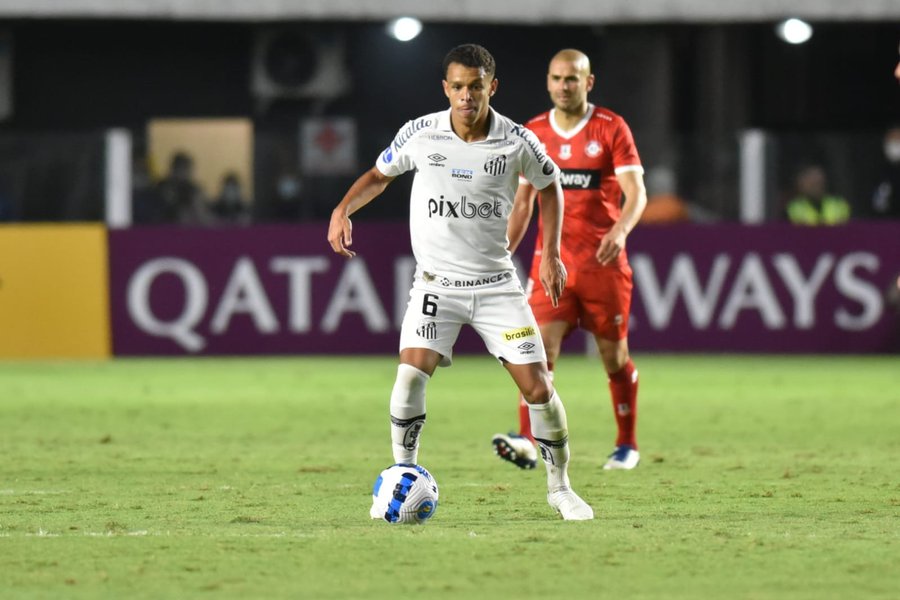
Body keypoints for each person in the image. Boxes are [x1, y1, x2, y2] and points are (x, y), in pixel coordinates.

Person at [327, 43, 593, 520]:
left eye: (475, 86)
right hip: (435, 287)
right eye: (457, 87)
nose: (466, 96)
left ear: (492, 86)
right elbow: (377, 175)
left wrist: (550, 252)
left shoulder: (517, 141)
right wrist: (343, 208)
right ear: (445, 88)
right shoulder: (421, 134)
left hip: (496, 287)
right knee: (409, 375)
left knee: (538, 389)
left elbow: (551, 185)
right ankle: (402, 474)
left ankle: (561, 489)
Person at [491, 49, 647, 472]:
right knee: (536, 353)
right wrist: (499, 254)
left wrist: (619, 231)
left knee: (614, 359)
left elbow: (637, 194)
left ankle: (626, 444)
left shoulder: (611, 128)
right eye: (557, 78)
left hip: (603, 267)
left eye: (572, 79)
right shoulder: (533, 132)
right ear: (548, 81)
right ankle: (526, 442)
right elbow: (522, 205)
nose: (564, 86)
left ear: (588, 83)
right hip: (551, 264)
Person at [784, 164, 850, 225]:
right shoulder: (793, 207)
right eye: (810, 181)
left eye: (817, 181)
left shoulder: (839, 204)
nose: (815, 184)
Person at [870, 126, 900, 219]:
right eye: (891, 141)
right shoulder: (880, 173)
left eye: (897, 141)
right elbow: (877, 205)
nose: (894, 145)